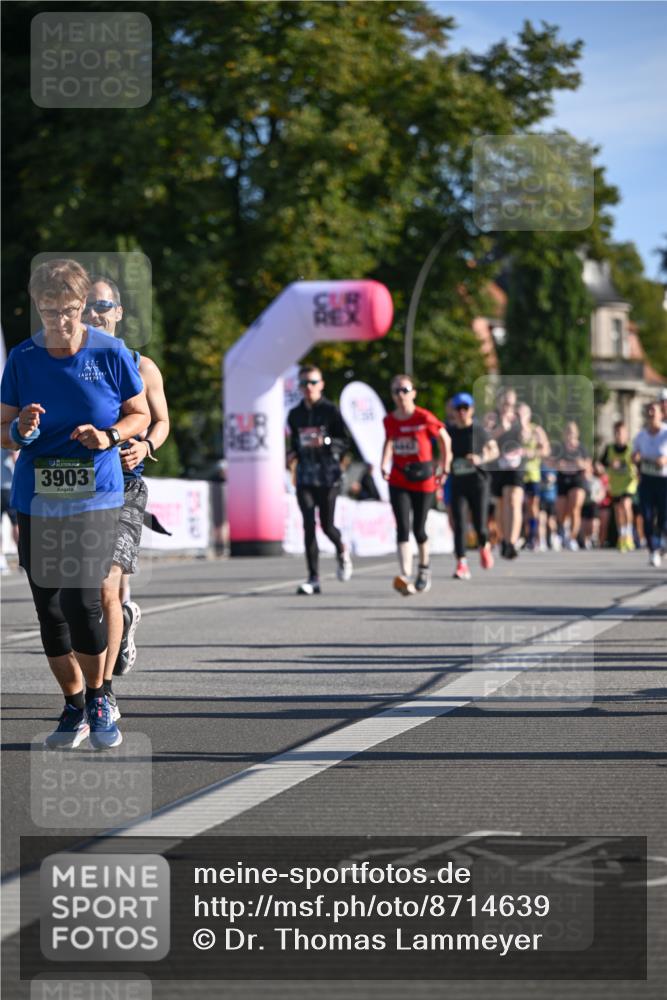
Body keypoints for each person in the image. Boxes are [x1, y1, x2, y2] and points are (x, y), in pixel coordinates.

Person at [0, 259, 149, 750]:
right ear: (36, 306)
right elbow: (3, 430)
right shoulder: (23, 358)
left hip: (96, 493)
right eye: (48, 312)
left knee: (81, 601)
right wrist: (19, 429)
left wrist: (109, 436)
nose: (59, 322)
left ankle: (101, 696)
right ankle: (73, 705)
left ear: (82, 306)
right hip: (38, 496)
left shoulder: (110, 353)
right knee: (49, 609)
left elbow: (139, 413)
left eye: (67, 311)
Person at [83, 276, 170, 722]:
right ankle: (119, 624)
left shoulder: (142, 365)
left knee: (105, 584)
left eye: (103, 305)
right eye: (87, 306)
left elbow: (162, 421)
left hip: (126, 484)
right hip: (80, 487)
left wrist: (146, 445)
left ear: (118, 312)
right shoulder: (67, 364)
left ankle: (102, 694)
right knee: (82, 595)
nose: (94, 314)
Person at [381, 374, 450, 595]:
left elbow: (445, 439)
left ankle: (424, 568)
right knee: (402, 526)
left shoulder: (424, 417)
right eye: (396, 391)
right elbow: (389, 441)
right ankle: (405, 576)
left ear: (413, 393)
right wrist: (384, 463)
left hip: (423, 478)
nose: (401, 395)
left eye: (405, 390)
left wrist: (444, 466)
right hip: (399, 477)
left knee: (419, 529)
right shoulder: (389, 420)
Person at [287, 364, 353, 595]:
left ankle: (341, 550)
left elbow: (345, 442)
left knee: (326, 525)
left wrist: (325, 442)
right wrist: (291, 454)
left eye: (313, 382)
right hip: (305, 475)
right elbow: (295, 444)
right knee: (308, 525)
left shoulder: (330, 411)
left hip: (328, 476)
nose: (309, 387)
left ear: (321, 385)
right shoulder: (295, 414)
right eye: (304, 383)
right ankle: (313, 578)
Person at [445, 392, 497, 580]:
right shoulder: (449, 431)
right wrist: (442, 468)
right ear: (453, 411)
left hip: (478, 483)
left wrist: (480, 458)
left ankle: (484, 546)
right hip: (458, 482)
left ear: (471, 410)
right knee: (459, 523)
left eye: (465, 408)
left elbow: (494, 450)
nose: (461, 412)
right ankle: (461, 563)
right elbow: (443, 453)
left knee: (480, 525)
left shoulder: (478, 430)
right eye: (458, 408)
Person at [490, 388, 525, 559]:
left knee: (514, 500)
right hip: (498, 465)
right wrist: (500, 429)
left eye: (511, 403)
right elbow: (485, 438)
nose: (508, 407)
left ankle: (512, 542)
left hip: (516, 464)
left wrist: (523, 423)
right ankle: (503, 539)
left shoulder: (519, 417)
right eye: (505, 403)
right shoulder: (493, 418)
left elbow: (526, 438)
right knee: (501, 503)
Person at [632, 402, 667, 567]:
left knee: (663, 517)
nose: (651, 414)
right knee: (646, 516)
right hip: (646, 480)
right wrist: (636, 458)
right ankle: (653, 550)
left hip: (664, 480)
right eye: (649, 411)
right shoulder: (641, 436)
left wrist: (664, 460)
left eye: (654, 411)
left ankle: (661, 541)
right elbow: (634, 454)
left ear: (662, 414)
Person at [598, 421, 638, 551]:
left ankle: (629, 534)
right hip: (615, 484)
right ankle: (622, 535)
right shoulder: (609, 448)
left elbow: (638, 462)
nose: (618, 435)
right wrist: (603, 467)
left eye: (620, 432)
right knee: (618, 510)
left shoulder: (631, 449)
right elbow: (600, 464)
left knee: (626, 505)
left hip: (628, 483)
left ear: (626, 434)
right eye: (616, 432)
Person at [518, 403, 551, 550]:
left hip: (532, 475)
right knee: (517, 506)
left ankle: (532, 536)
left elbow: (546, 450)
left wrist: (531, 453)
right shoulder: (512, 430)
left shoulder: (536, 430)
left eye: (523, 414)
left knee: (532, 507)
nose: (521, 417)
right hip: (516, 474)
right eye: (518, 414)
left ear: (529, 415)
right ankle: (517, 537)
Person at [555, 421, 590, 551]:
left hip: (577, 480)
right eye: (568, 431)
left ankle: (572, 537)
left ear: (577, 434)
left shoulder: (582, 449)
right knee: (562, 511)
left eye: (573, 432)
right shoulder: (560, 448)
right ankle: (563, 531)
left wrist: (582, 465)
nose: (570, 434)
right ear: (564, 434)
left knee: (575, 507)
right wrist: (558, 465)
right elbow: (552, 462)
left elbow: (588, 467)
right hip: (563, 480)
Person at [1, 447, 19, 574]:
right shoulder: (5, 437)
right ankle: (22, 556)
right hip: (8, 488)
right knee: (16, 523)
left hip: (6, 487)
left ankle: (1, 560)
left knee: (14, 523)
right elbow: (14, 456)